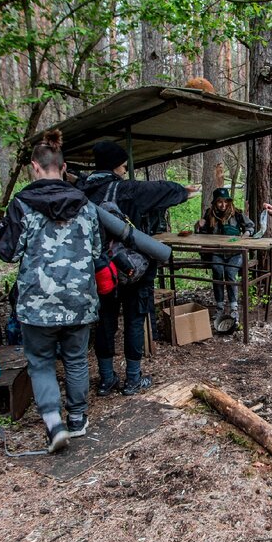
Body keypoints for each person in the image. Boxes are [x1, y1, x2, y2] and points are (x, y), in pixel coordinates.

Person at [0, 130, 100, 454]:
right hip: (79, 300)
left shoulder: (22, 205)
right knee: (76, 359)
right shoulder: (87, 206)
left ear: (35, 168)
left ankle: (54, 423)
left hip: (37, 304)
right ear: (63, 166)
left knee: (40, 362)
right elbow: (96, 252)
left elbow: (8, 253)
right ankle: (78, 419)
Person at [80, 140, 200, 395]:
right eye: (123, 166)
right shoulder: (126, 190)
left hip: (99, 268)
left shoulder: (82, 192)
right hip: (134, 269)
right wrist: (183, 191)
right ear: (114, 167)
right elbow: (161, 189)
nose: (125, 170)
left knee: (105, 322)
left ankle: (106, 379)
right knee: (134, 321)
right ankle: (132, 380)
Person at [194, 186, 255, 325]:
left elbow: (250, 227)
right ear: (215, 202)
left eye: (225, 201)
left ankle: (234, 307)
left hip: (235, 252)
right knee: (217, 271)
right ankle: (220, 306)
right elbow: (201, 235)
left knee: (230, 273)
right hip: (217, 252)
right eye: (219, 202)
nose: (223, 205)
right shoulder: (209, 214)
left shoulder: (237, 213)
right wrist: (198, 226)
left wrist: (245, 236)